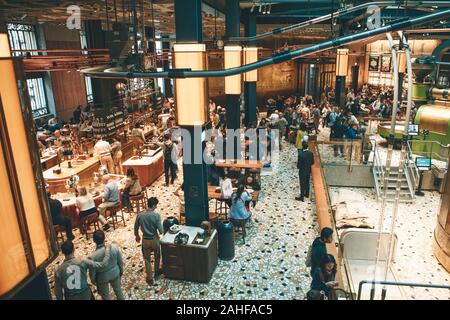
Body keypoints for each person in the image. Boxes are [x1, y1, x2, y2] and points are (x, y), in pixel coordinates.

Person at [134, 197, 164, 286]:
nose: (156, 207)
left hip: (145, 240)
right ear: (154, 205)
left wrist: (137, 236)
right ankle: (156, 272)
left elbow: (135, 227)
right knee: (157, 256)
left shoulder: (140, 215)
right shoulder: (156, 215)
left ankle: (150, 278)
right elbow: (161, 231)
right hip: (154, 239)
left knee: (147, 259)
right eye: (156, 205)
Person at [89, 230, 125, 300]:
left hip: (102, 278)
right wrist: (121, 271)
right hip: (115, 273)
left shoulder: (93, 257)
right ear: (104, 238)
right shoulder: (114, 248)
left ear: (94, 240)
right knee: (118, 291)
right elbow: (120, 261)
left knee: (105, 296)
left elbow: (92, 272)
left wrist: (93, 280)